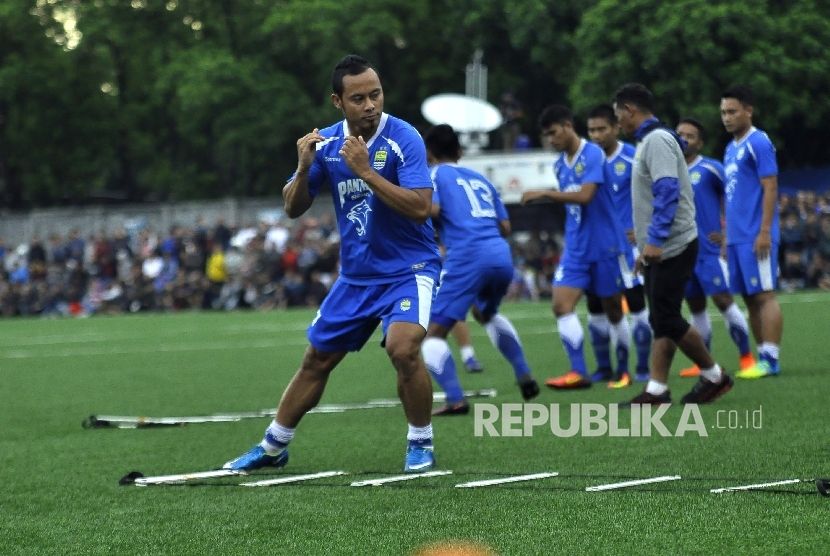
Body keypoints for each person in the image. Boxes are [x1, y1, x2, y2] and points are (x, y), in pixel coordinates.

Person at [223, 55, 442, 473]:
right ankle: (273, 446)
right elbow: (293, 208)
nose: (371, 105)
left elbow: (420, 208)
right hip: (357, 275)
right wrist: (305, 169)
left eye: (375, 94)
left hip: (409, 269)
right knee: (316, 360)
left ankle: (420, 442)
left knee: (403, 349)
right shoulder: (324, 143)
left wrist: (368, 172)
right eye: (358, 98)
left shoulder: (404, 137)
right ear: (338, 101)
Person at [612, 83, 732, 405]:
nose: (617, 123)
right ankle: (657, 389)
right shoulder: (650, 141)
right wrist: (646, 248)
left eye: (617, 115)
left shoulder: (657, 140)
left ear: (630, 110)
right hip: (663, 246)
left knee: (666, 317)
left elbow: (668, 190)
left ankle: (714, 375)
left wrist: (655, 240)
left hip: (672, 244)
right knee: (661, 319)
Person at [421, 124, 539, 416]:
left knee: (431, 334)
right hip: (500, 254)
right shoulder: (480, 179)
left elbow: (430, 210)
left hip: (466, 255)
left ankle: (455, 398)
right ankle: (524, 372)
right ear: (459, 152)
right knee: (485, 313)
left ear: (427, 152)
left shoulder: (433, 175)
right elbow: (506, 227)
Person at [520, 105, 630, 390]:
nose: (551, 140)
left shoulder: (593, 153)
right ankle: (578, 371)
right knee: (560, 305)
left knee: (613, 309)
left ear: (568, 126)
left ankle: (624, 369)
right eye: (546, 136)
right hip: (577, 247)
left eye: (554, 133)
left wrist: (544, 193)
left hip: (605, 245)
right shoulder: (560, 164)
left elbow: (585, 196)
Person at [674, 117, 756, 377]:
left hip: (707, 251)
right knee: (695, 306)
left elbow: (735, 197)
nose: (684, 139)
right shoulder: (666, 172)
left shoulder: (711, 168)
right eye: (680, 134)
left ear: (700, 142)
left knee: (723, 301)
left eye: (690, 135)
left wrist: (729, 232)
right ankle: (704, 363)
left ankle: (746, 356)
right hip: (681, 252)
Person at [585, 105, 653, 387]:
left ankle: (642, 366)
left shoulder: (633, 155)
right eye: (591, 131)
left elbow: (654, 192)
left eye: (602, 129)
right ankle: (606, 366)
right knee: (599, 306)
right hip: (597, 246)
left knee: (636, 305)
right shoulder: (587, 160)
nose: (596, 135)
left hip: (628, 246)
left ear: (615, 128)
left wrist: (643, 229)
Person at [720, 85, 784, 378]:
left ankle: (771, 359)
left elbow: (770, 186)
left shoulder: (758, 142)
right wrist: (726, 236)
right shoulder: (730, 148)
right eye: (723, 112)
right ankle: (761, 358)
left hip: (756, 234)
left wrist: (765, 231)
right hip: (736, 237)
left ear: (749, 110)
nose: (727, 117)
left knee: (764, 296)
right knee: (748, 297)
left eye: (732, 111)